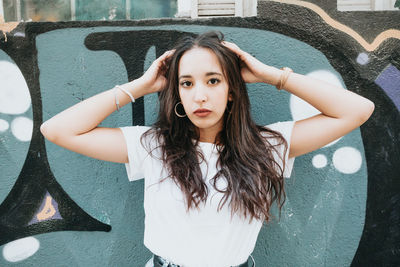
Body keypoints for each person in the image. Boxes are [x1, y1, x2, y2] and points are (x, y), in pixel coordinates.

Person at [40, 31, 374, 267]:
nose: (200, 95)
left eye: (213, 80)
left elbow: (356, 110)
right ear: (178, 92)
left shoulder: (267, 147)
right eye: (187, 83)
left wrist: (273, 76)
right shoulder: (155, 147)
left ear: (232, 91)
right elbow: (57, 130)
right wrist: (140, 86)